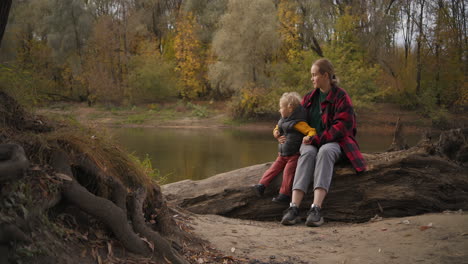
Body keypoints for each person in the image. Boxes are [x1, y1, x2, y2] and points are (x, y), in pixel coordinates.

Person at [279, 58, 367, 226]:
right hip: (312, 142)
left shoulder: (341, 97)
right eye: (311, 75)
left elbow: (341, 127)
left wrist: (317, 139)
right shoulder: (309, 98)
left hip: (337, 142)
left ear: (325, 75)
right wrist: (281, 136)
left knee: (325, 151)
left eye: (314, 75)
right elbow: (292, 119)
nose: (312, 79)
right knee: (307, 152)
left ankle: (316, 209)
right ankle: (294, 207)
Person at [253, 92, 317, 204]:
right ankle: (261, 185)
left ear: (290, 108)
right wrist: (276, 133)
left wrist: (308, 137)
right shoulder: (283, 120)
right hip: (282, 154)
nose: (279, 110)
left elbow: (312, 131)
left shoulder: (298, 123)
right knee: (273, 168)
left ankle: (284, 194)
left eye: (281, 108)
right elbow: (277, 128)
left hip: (293, 155)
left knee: (288, 173)